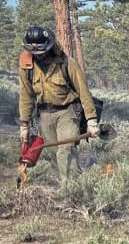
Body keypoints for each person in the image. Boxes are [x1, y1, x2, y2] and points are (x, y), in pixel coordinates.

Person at [18, 26, 100, 183]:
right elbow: (25, 95)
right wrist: (24, 125)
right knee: (54, 153)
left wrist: (91, 119)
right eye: (35, 52)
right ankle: (66, 183)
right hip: (44, 115)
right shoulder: (26, 66)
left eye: (42, 51)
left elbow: (84, 92)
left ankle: (73, 190)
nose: (39, 56)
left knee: (66, 150)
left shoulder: (66, 63)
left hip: (68, 112)